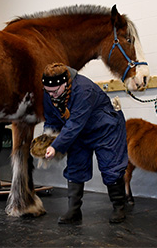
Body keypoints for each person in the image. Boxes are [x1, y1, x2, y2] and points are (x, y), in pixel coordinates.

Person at [41, 62, 128, 224]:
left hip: (105, 129)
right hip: (79, 132)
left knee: (111, 167)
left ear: (65, 83)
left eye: (54, 91)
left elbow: (74, 123)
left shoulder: (84, 90)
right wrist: (48, 138)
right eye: (48, 91)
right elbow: (52, 118)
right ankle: (74, 211)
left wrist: (56, 146)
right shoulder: (49, 93)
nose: (51, 95)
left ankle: (119, 207)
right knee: (75, 166)